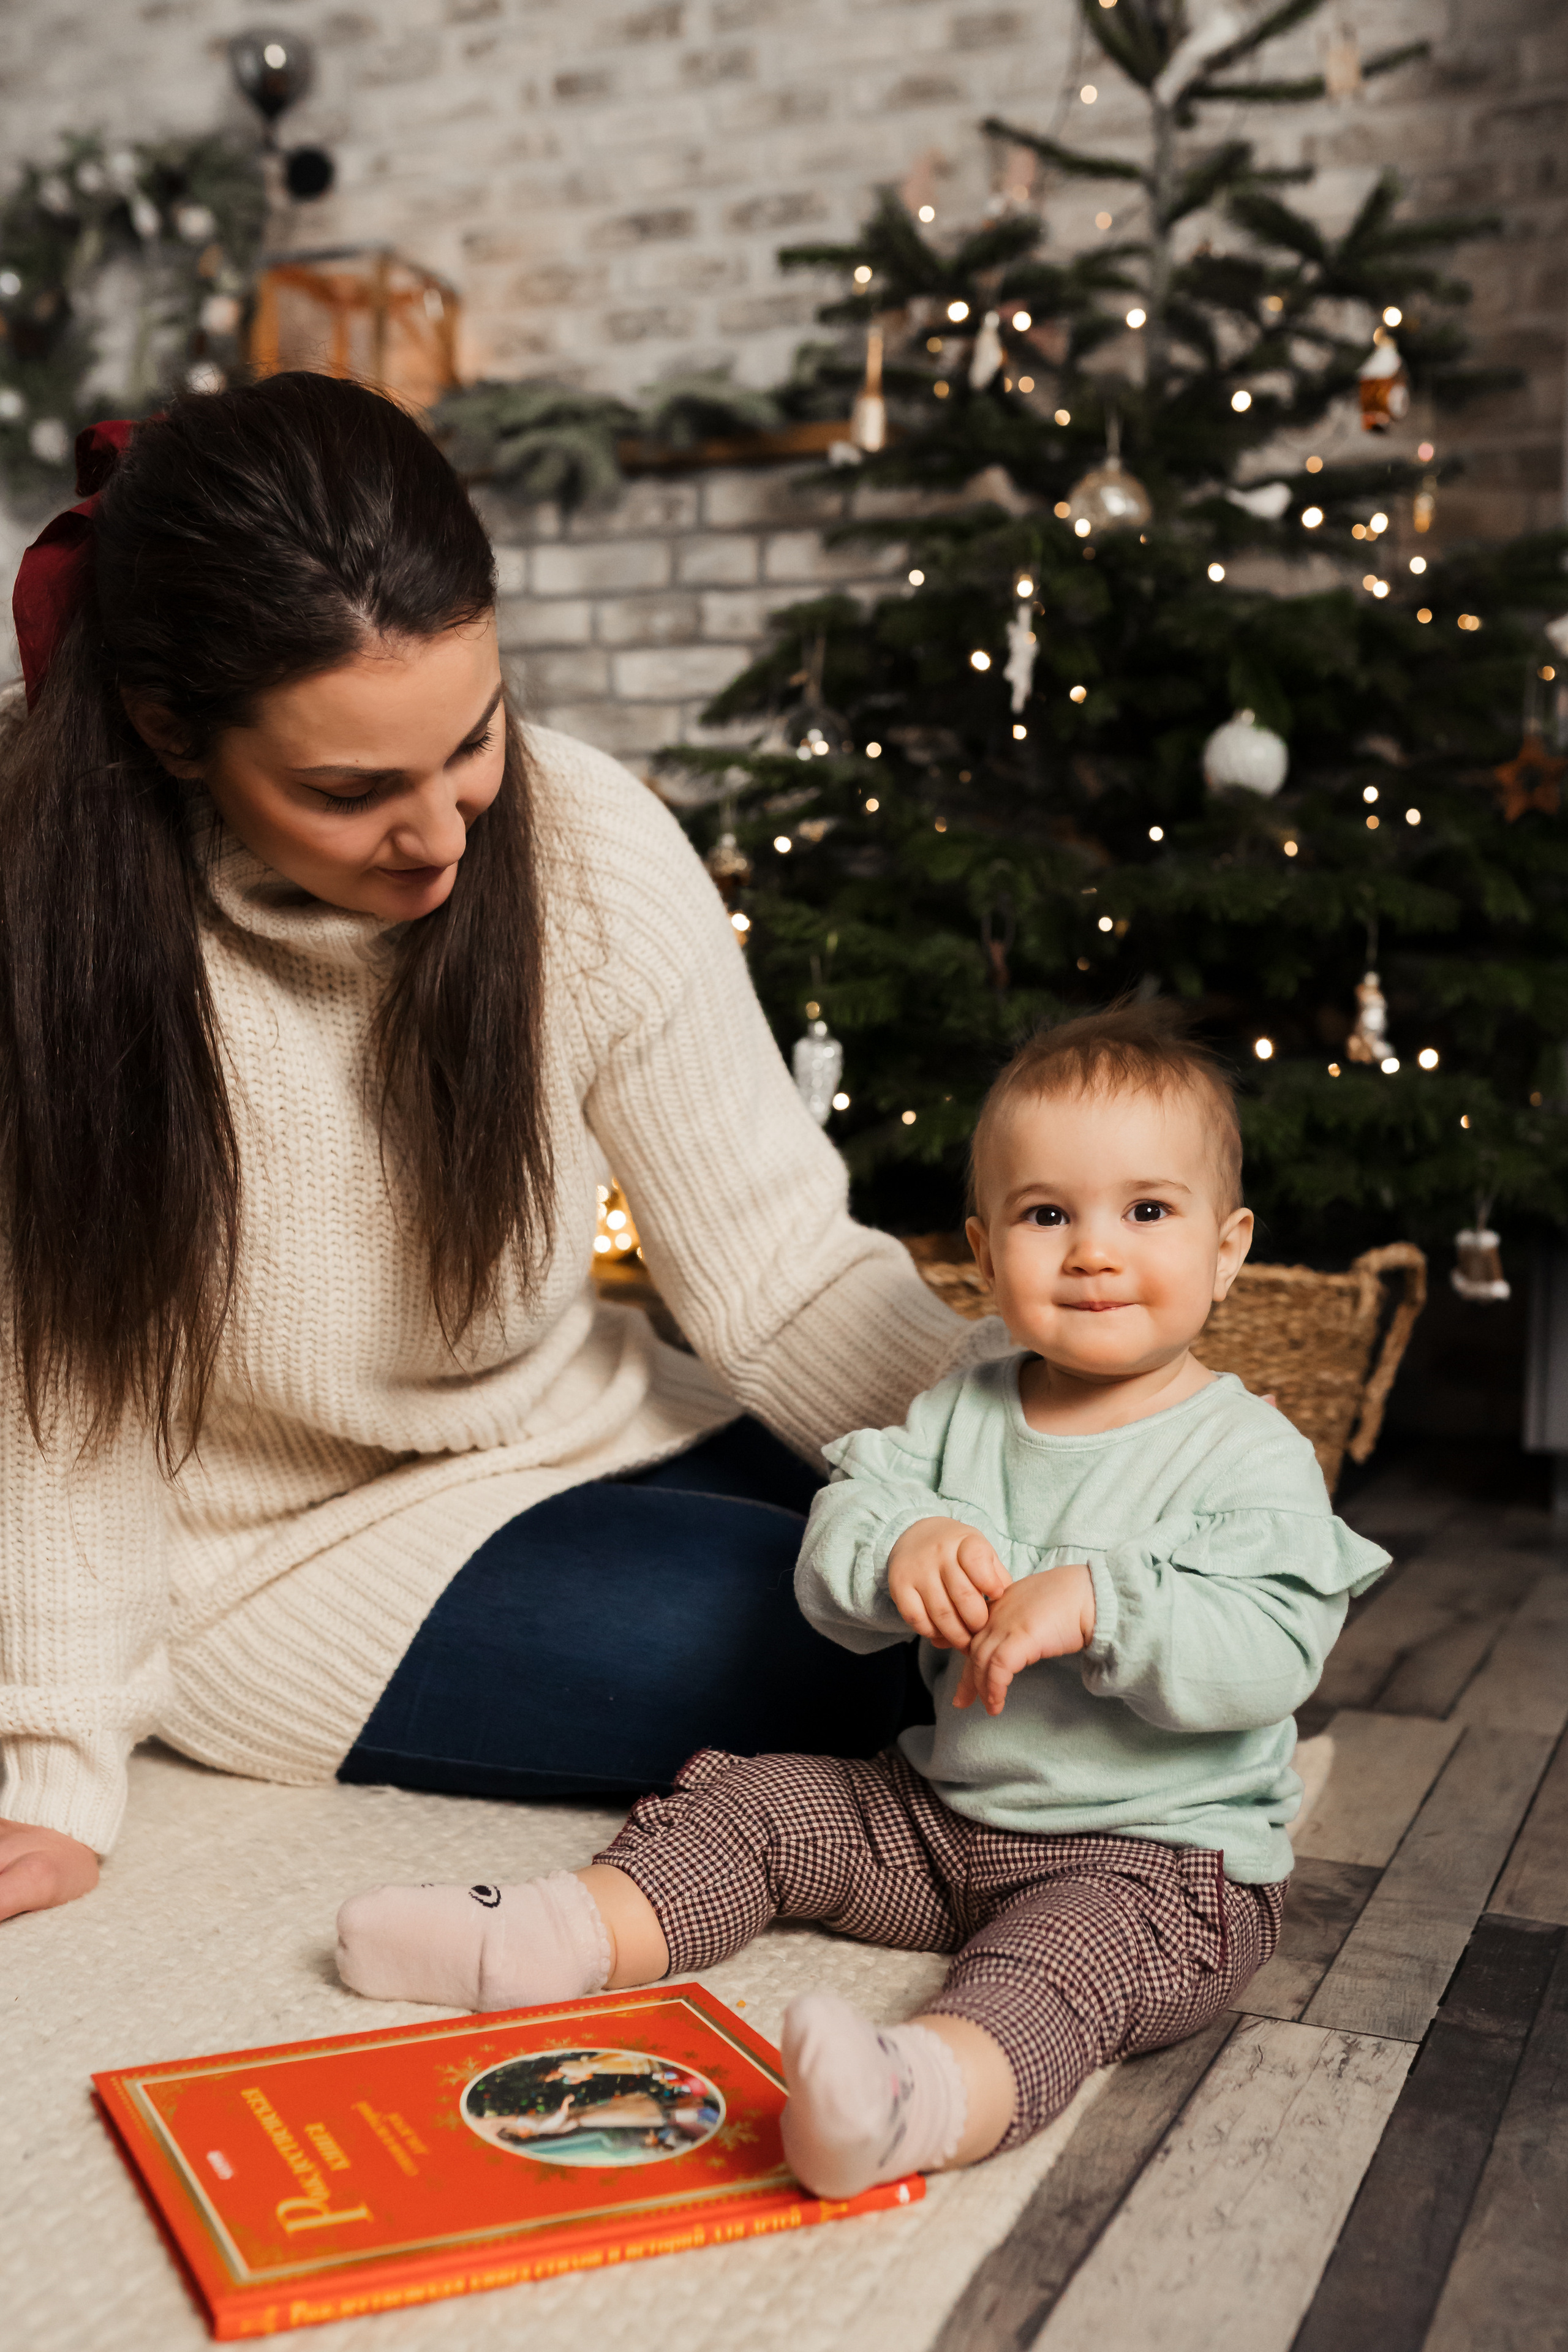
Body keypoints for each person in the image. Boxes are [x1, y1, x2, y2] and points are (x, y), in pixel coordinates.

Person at [0, 376, 997, 1926]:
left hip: (576, 1422)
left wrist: (1069, 1460)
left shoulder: (588, 840)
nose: (443, 832)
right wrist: (51, 1762)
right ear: (167, 731)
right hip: (281, 1557)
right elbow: (62, 1404)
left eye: (469, 741)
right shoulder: (53, 943)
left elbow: (787, 1276)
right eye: (351, 791)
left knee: (1005, 1569)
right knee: (905, 1646)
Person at [336, 1003, 1389, 2197]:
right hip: (936, 1816)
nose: (1093, 1252)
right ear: (987, 1256)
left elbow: (1270, 1648)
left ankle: (910, 2097)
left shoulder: (1248, 1456)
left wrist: (1103, 1604)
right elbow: (836, 1554)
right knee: (757, 1802)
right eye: (1047, 1215)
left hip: (1152, 1862)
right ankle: (547, 1934)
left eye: (1145, 1212)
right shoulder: (960, 1412)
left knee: (1056, 1968)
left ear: (1226, 1246)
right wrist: (902, 1545)